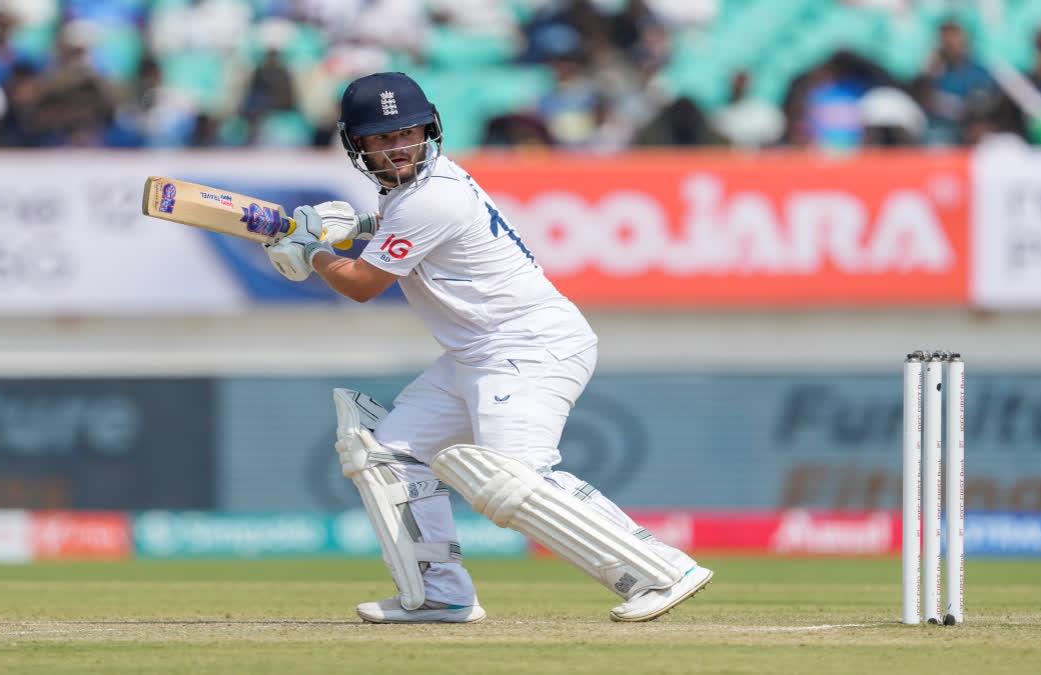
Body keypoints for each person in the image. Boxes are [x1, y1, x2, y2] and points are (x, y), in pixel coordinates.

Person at [265, 72, 712, 624]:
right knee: (386, 454)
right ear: (356, 145)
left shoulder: (431, 199)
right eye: (379, 139)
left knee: (513, 477)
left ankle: (663, 569)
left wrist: (312, 251)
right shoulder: (413, 197)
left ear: (429, 129)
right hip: (477, 353)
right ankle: (440, 594)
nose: (396, 147)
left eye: (406, 133)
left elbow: (360, 284)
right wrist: (348, 226)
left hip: (527, 345)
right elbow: (389, 228)